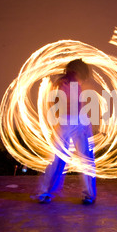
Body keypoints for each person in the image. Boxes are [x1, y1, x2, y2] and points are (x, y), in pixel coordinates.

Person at [38, 59, 96, 205]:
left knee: (60, 159)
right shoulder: (68, 80)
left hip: (70, 122)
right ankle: (88, 194)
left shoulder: (65, 81)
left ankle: (45, 192)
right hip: (74, 122)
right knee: (85, 159)